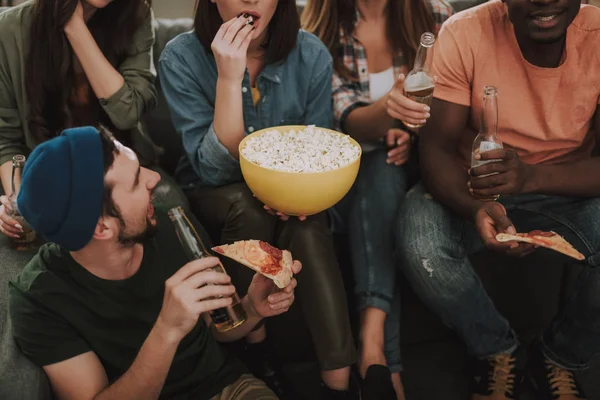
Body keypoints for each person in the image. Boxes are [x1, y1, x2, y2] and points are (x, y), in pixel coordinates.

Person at [395, 0, 600, 399]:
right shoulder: (463, 32)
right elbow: (435, 149)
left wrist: (531, 176)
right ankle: (496, 350)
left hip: (565, 186)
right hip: (475, 185)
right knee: (419, 239)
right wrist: (476, 208)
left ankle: (560, 357)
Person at [9, 126, 301, 400]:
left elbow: (219, 328)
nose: (154, 178)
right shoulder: (39, 299)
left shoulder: (171, 222)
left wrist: (251, 308)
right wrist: (167, 329)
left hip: (226, 388)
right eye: (136, 180)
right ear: (101, 228)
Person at [158, 1, 358, 398]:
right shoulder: (179, 56)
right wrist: (228, 79)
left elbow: (318, 151)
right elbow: (212, 170)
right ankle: (256, 349)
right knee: (248, 208)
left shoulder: (311, 53)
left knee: (309, 226)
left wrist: (294, 192)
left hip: (292, 189)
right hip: (215, 193)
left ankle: (340, 384)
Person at [302, 0, 452, 398]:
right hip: (355, 174)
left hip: (424, 166)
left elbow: (452, 108)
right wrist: (391, 111)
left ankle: (374, 357)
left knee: (386, 165)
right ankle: (378, 352)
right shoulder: (317, 28)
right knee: (379, 167)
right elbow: (346, 119)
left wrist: (411, 132)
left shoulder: (437, 16)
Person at [0, 0, 185, 240]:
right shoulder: (9, 29)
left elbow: (126, 113)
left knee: (172, 217)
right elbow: (5, 139)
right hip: (49, 175)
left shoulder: (135, 15)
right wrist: (19, 200)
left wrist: (74, 26)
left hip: (120, 170)